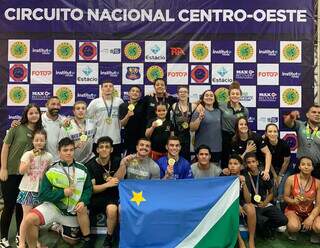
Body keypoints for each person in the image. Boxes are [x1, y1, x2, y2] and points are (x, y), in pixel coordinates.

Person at [24, 138, 93, 248]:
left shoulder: (83, 169)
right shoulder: (51, 169)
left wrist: (83, 201)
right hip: (54, 207)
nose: (69, 153)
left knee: (72, 241)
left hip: (72, 211)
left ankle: (58, 227)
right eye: (65, 150)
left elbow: (88, 188)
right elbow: (43, 194)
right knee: (29, 219)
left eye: (71, 150)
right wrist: (62, 193)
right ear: (59, 152)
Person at [0, 103, 42, 248]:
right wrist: (3, 168)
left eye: (36, 112)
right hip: (10, 173)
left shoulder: (39, 133)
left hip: (25, 176)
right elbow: (5, 147)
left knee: (21, 206)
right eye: (31, 113)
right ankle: (3, 237)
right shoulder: (16, 128)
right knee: (9, 205)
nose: (34, 115)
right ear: (26, 115)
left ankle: (20, 235)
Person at [17, 129, 53, 248]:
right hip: (28, 189)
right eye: (36, 140)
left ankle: (34, 241)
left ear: (45, 142)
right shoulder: (28, 154)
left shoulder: (49, 156)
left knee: (35, 219)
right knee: (26, 217)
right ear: (33, 141)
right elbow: (21, 170)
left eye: (41, 140)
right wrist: (31, 159)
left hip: (40, 191)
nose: (39, 142)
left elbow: (49, 174)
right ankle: (22, 242)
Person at [85, 136, 120, 248]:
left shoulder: (117, 161)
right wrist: (107, 184)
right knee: (83, 209)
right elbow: (93, 189)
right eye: (101, 147)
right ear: (97, 150)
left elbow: (122, 178)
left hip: (111, 196)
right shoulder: (90, 165)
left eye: (107, 147)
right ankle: (88, 238)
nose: (104, 149)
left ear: (111, 149)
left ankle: (109, 238)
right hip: (95, 196)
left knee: (112, 209)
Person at [243, 153, 288, 239]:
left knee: (283, 220)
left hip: (264, 204)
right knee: (261, 221)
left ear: (257, 162)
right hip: (252, 206)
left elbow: (272, 193)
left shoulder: (264, 175)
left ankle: (268, 227)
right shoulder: (244, 175)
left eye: (253, 161)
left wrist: (265, 202)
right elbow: (236, 164)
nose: (251, 164)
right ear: (246, 164)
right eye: (248, 162)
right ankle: (263, 229)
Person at [284, 156, 320, 243]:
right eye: (303, 164)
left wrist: (311, 218)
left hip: (310, 211)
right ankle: (294, 229)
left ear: (312, 168)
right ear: (299, 167)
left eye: (309, 165)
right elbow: (285, 197)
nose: (306, 167)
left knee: (319, 227)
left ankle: (315, 232)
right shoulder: (291, 179)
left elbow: (318, 204)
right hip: (293, 210)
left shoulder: (318, 182)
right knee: (293, 227)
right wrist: (293, 201)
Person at [87, 80, 124, 157]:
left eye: (110, 86)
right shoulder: (95, 102)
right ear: (101, 88)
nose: (108, 88)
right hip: (99, 140)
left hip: (115, 140)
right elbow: (86, 117)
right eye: (105, 86)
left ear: (113, 89)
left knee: (115, 165)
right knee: (99, 165)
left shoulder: (119, 101)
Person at [227, 154, 256, 248]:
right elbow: (224, 197)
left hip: (242, 201)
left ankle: (251, 239)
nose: (232, 166)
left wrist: (243, 183)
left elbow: (248, 200)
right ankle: (240, 240)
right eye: (230, 163)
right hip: (229, 202)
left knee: (251, 208)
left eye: (235, 163)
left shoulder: (246, 176)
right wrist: (237, 205)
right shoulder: (224, 176)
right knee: (232, 211)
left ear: (241, 166)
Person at [284, 105, 320, 178]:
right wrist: (291, 116)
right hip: (301, 166)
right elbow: (287, 123)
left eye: (319, 113)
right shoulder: (300, 125)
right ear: (307, 115)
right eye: (314, 112)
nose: (317, 114)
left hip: (318, 167)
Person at [219, 81, 249, 168]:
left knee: (238, 162)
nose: (235, 95)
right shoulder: (222, 105)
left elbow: (245, 127)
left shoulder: (245, 110)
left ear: (240, 95)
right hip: (225, 137)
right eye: (233, 93)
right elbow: (208, 104)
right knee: (225, 162)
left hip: (238, 138)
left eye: (237, 93)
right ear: (229, 95)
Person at [190, 89, 222, 163]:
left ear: (214, 99)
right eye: (206, 95)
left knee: (214, 171)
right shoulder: (198, 110)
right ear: (203, 98)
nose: (209, 97)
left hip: (216, 148)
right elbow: (192, 128)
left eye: (211, 96)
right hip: (201, 148)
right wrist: (199, 118)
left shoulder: (219, 111)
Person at [264, 123, 291, 201]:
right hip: (272, 167)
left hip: (285, 168)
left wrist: (280, 175)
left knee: (281, 187)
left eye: (275, 131)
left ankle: (281, 203)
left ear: (278, 133)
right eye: (270, 131)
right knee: (273, 189)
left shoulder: (284, 145)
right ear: (266, 133)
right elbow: (269, 161)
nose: (273, 134)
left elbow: (286, 162)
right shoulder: (264, 144)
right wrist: (275, 175)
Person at [119, 86, 145, 155]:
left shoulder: (144, 104)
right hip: (128, 139)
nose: (135, 93)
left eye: (137, 91)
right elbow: (122, 124)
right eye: (133, 91)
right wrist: (127, 115)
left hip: (141, 139)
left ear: (140, 94)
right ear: (129, 93)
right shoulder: (123, 106)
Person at [170, 86, 194, 161]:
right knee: (175, 157)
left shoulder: (193, 106)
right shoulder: (174, 106)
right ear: (177, 94)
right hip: (177, 136)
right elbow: (171, 122)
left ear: (188, 94)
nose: (183, 94)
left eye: (185, 92)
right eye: (180, 92)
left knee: (186, 158)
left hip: (188, 136)